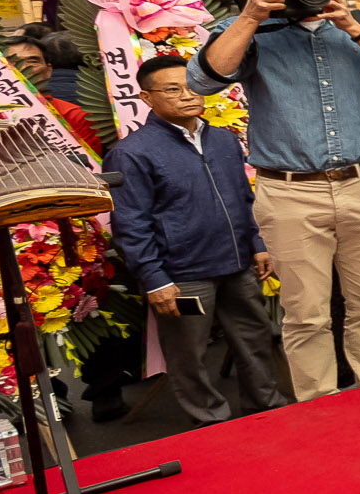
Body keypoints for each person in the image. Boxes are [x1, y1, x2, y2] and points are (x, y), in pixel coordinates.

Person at [191, 0, 360, 401]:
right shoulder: (251, 31)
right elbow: (203, 79)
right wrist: (251, 17)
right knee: (306, 314)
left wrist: (352, 26)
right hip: (290, 192)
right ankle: (319, 408)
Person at [104, 55, 288, 424]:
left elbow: (242, 198)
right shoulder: (131, 153)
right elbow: (129, 222)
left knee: (255, 339)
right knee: (189, 352)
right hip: (182, 275)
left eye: (191, 85)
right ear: (147, 97)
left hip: (237, 264)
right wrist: (155, 279)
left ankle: (267, 409)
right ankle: (210, 421)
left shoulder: (222, 140)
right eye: (172, 89)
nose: (187, 95)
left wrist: (256, 243)